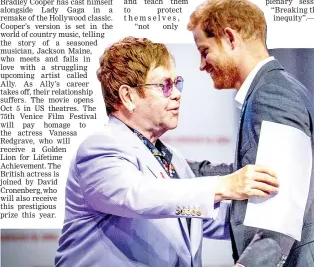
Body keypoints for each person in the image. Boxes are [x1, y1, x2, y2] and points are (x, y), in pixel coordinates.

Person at [54, 37, 279, 267]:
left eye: (176, 83)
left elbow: (211, 220)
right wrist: (224, 186)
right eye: (164, 86)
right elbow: (138, 195)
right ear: (128, 96)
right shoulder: (99, 149)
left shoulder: (172, 160)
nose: (177, 94)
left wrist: (276, 209)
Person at [187, 0, 314, 267]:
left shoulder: (271, 93)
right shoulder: (270, 90)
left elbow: (281, 210)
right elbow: (253, 176)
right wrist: (174, 167)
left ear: (230, 39)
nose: (202, 64)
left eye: (205, 50)